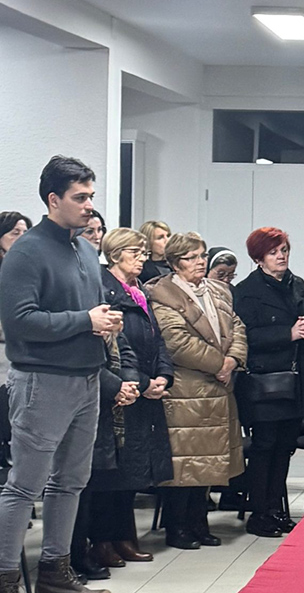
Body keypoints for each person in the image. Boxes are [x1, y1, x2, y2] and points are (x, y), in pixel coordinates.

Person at [0, 155, 123, 593]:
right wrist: (85, 320)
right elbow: (20, 322)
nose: (90, 206)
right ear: (54, 199)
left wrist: (104, 322)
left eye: (91, 196)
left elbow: (84, 311)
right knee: (24, 486)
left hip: (86, 379)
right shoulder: (26, 252)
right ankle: (6, 577)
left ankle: (55, 572)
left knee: (71, 482)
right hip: (42, 381)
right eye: (80, 197)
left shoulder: (85, 249)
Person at [148, 232, 247, 550]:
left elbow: (237, 326)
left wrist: (233, 360)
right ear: (175, 263)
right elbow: (177, 342)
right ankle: (178, 527)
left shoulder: (218, 290)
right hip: (187, 389)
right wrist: (219, 364)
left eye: (202, 255)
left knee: (208, 464)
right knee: (185, 464)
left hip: (219, 387)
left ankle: (199, 524)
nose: (200, 262)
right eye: (192, 257)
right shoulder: (163, 293)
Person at [86, 229, 174, 570]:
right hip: (119, 391)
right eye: (135, 252)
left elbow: (157, 339)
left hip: (139, 386)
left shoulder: (139, 292)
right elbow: (118, 347)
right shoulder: (105, 290)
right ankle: (104, 540)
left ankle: (124, 537)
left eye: (143, 252)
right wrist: (140, 381)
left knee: (133, 470)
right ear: (115, 255)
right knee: (113, 472)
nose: (142, 258)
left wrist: (163, 375)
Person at [233, 228, 304, 538]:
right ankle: (259, 513)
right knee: (265, 446)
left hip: (299, 379)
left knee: (285, 446)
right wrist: (289, 333)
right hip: (266, 381)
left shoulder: (297, 283)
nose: (281, 256)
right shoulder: (247, 291)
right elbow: (246, 337)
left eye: (284, 250)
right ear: (259, 258)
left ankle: (276, 509)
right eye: (273, 252)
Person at [69, 318, 140, 582]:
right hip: (80, 404)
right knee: (76, 489)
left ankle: (94, 549)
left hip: (109, 410)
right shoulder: (77, 317)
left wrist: (128, 384)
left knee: (100, 485)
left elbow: (126, 353)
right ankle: (72, 556)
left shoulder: (106, 317)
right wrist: (116, 387)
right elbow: (81, 360)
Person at [0, 212, 33, 385]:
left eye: (25, 232)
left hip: (21, 357)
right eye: (15, 232)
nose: (22, 237)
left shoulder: (32, 269)